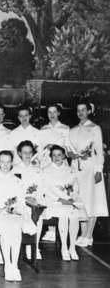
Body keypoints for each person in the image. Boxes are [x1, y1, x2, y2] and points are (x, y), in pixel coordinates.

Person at [0, 150, 36, 282]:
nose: (5, 165)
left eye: (8, 162)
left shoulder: (17, 180)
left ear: (12, 163)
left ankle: (14, 265)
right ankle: (8, 265)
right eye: (2, 161)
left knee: (16, 227)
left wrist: (14, 209)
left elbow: (21, 201)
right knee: (7, 227)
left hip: (14, 212)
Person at [68, 100, 108, 247]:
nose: (80, 113)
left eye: (83, 110)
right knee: (80, 200)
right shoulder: (72, 130)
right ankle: (83, 234)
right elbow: (68, 148)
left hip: (90, 168)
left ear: (89, 111)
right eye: (78, 110)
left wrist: (99, 169)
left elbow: (99, 150)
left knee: (92, 200)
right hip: (76, 168)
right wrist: (71, 154)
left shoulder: (94, 128)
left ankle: (88, 235)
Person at [43, 145, 84, 261]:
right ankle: (64, 248)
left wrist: (71, 197)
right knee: (64, 215)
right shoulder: (46, 170)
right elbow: (48, 188)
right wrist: (61, 199)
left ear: (64, 156)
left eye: (59, 155)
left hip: (69, 201)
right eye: (54, 155)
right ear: (50, 157)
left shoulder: (69, 169)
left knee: (75, 215)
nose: (57, 157)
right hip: (54, 202)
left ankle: (72, 247)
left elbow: (75, 185)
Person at [39, 104, 70, 242]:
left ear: (59, 113)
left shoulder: (65, 128)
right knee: (48, 193)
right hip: (46, 163)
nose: (51, 115)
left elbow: (68, 149)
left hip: (60, 162)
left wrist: (55, 147)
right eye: (49, 112)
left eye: (54, 112)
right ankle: (50, 228)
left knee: (60, 192)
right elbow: (39, 149)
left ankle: (59, 230)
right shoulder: (43, 129)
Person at [12, 140, 45, 260]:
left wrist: (35, 198)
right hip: (19, 201)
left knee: (38, 213)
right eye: (24, 152)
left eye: (30, 152)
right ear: (19, 153)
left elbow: (41, 188)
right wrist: (25, 198)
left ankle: (34, 247)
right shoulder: (14, 169)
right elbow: (13, 188)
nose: (27, 155)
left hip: (34, 201)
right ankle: (21, 245)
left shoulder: (37, 170)